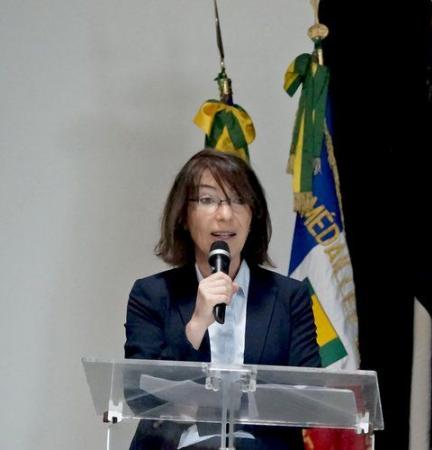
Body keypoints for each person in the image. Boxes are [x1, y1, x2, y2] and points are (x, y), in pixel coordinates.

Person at [124, 148, 321, 450]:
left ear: (253, 216)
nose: (226, 214)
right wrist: (194, 328)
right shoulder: (151, 295)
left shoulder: (288, 299)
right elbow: (143, 398)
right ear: (183, 217)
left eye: (239, 200)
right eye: (207, 200)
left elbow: (306, 398)